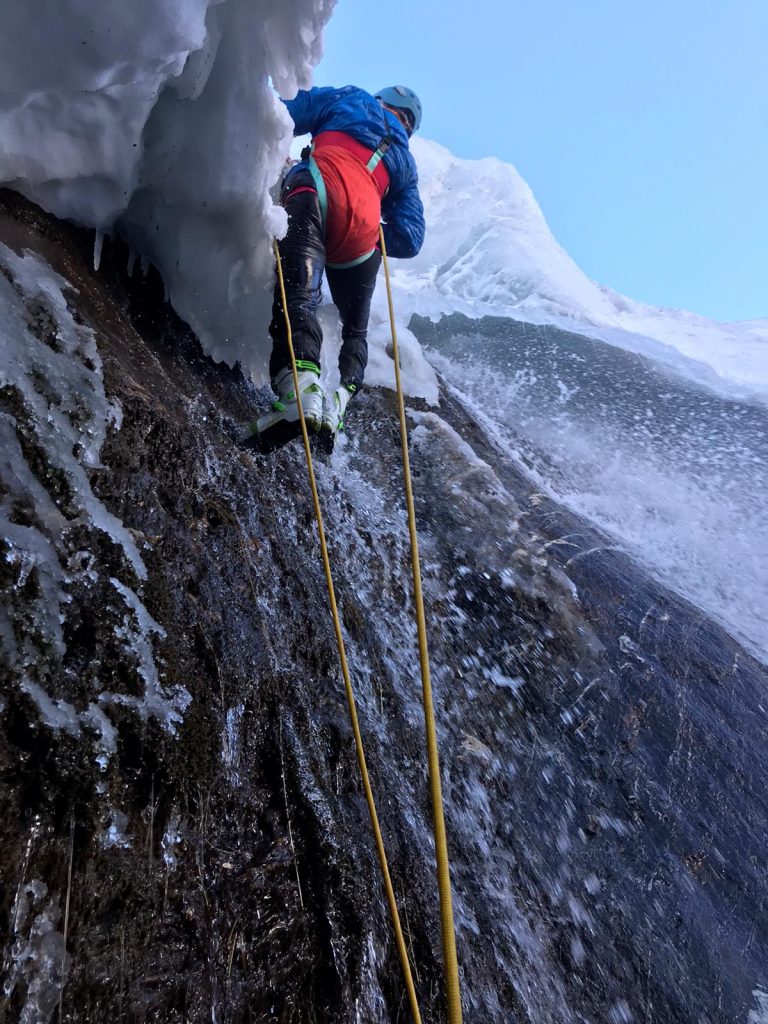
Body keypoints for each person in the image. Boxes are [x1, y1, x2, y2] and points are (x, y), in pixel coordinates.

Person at [253, 84, 426, 450]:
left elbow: (281, 115)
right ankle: (338, 403)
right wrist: (369, 228)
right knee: (356, 332)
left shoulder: (351, 98)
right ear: (408, 126)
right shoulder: (405, 163)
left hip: (317, 188)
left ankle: (299, 389)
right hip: (364, 235)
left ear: (382, 102)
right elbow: (411, 237)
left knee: (300, 293)